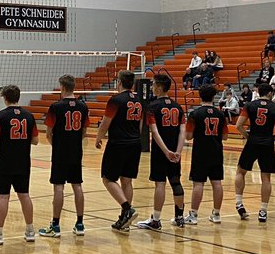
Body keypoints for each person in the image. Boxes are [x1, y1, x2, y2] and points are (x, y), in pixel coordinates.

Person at [0, 85, 38, 246]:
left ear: (5, 97)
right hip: (23, 161)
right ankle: (30, 231)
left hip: (5, 162)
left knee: (3, 197)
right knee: (24, 195)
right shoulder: (28, 116)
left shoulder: (0, 116)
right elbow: (35, 141)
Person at [40, 75, 90, 238]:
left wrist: (59, 145)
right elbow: (84, 132)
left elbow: (48, 134)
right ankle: (80, 223)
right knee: (77, 185)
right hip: (76, 151)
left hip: (60, 152)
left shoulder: (56, 107)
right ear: (73, 87)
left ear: (62, 87)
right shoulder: (83, 107)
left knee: (58, 187)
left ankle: (55, 226)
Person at [136, 76, 187, 231]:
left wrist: (166, 152)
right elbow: (182, 131)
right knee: (176, 181)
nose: (151, 87)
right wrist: (177, 151)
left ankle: (156, 220)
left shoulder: (152, 107)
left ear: (159, 87)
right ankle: (179, 217)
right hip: (175, 152)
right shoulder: (178, 107)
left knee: (160, 183)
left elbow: (155, 132)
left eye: (153, 85)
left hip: (161, 151)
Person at [232, 81, 275, 224]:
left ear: (258, 92)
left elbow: (238, 125)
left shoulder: (250, 105)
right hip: (267, 143)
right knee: (266, 178)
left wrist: (247, 136)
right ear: (270, 93)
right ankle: (263, 210)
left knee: (240, 172)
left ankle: (239, 203)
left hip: (253, 142)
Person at [94, 70, 143, 232]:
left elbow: (106, 122)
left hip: (118, 143)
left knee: (108, 178)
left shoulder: (116, 100)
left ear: (120, 82)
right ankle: (125, 220)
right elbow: (141, 125)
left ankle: (127, 208)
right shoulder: (139, 100)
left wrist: (98, 137)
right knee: (127, 180)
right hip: (135, 143)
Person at [184, 84, 226, 225]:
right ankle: (216, 214)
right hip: (216, 151)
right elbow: (225, 136)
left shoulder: (195, 114)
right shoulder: (220, 114)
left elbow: (188, 136)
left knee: (198, 184)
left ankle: (194, 215)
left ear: (199, 96)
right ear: (214, 97)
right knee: (217, 183)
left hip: (200, 152)